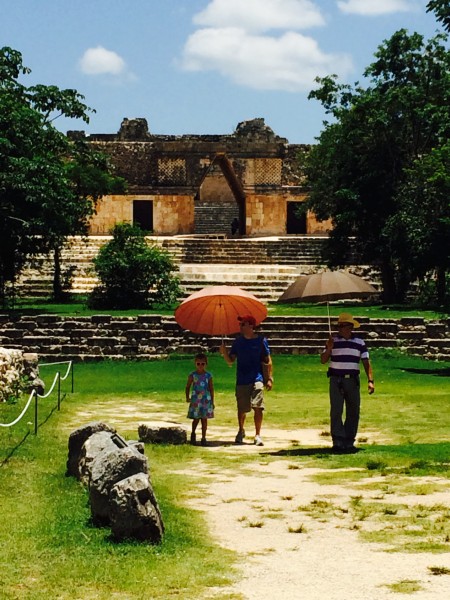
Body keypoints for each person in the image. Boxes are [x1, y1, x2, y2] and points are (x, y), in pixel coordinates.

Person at [320, 312, 374, 454]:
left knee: (353, 410)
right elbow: (323, 360)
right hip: (336, 379)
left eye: (349, 326)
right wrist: (329, 347)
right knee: (336, 410)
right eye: (343, 326)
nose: (346, 329)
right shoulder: (333, 341)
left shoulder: (359, 343)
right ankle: (337, 440)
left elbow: (366, 362)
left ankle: (349, 440)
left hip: (352, 379)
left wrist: (370, 380)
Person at [220, 314, 273, 446]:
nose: (240, 327)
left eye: (243, 324)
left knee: (258, 407)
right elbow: (230, 361)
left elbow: (267, 360)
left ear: (251, 325)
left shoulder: (261, 341)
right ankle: (241, 430)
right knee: (242, 409)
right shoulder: (238, 342)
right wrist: (224, 353)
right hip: (242, 379)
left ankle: (257, 434)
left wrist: (269, 378)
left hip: (257, 378)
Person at [185, 353, 215, 446]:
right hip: (196, 400)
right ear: (195, 364)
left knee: (204, 419)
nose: (200, 366)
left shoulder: (208, 375)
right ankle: (193, 433)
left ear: (206, 364)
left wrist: (212, 401)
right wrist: (187, 397)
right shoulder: (193, 375)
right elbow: (188, 386)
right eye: (198, 364)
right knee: (196, 418)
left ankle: (203, 437)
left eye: (203, 364)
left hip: (206, 400)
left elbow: (211, 388)